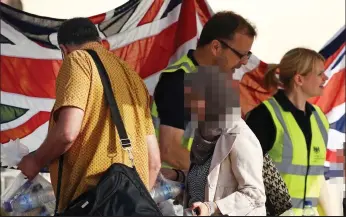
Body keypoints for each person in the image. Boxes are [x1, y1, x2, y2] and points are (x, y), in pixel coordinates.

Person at [17, 17, 161, 212]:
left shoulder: (78, 59)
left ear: (64, 49)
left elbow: (67, 133)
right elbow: (154, 162)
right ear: (100, 42)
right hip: (134, 205)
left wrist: (35, 160)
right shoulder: (133, 77)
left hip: (91, 203)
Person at [152, 11, 256, 172]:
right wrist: (219, 176)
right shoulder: (178, 81)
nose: (243, 62)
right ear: (216, 47)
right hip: (169, 191)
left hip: (194, 189)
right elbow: (169, 151)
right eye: (240, 55)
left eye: (247, 55)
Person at [245, 47, 332, 215]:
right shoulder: (264, 116)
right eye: (320, 73)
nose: (325, 78)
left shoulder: (319, 118)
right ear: (299, 79)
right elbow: (247, 172)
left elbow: (317, 175)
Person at [183, 67, 266, 216]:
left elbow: (255, 194)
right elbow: (208, 181)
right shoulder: (203, 132)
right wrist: (176, 176)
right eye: (189, 98)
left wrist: (211, 208)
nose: (191, 105)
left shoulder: (239, 135)